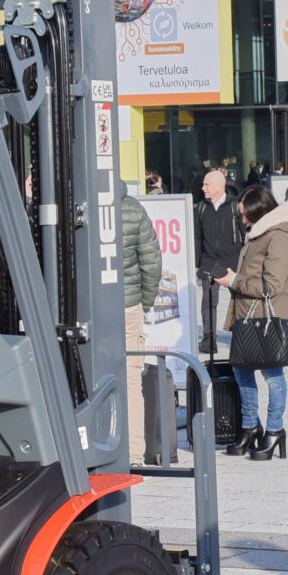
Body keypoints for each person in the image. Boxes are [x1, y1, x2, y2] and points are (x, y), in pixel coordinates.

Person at [221, 181, 288, 459]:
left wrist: (234, 280)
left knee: (271, 373)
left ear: (261, 212)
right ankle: (249, 426)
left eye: (246, 214)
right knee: (242, 371)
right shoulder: (259, 232)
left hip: (268, 316)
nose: (242, 220)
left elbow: (272, 285)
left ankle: (275, 430)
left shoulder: (278, 237)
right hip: (247, 314)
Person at [120, 176, 161, 463]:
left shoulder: (77, 202)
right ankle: (134, 453)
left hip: (85, 308)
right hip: (127, 305)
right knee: (131, 377)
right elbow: (151, 262)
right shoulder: (133, 209)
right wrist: (143, 301)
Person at [193, 167, 244, 357]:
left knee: (239, 299)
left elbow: (243, 235)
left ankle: (242, 335)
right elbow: (197, 237)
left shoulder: (234, 206)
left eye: (207, 184)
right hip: (208, 261)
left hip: (233, 260)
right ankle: (209, 340)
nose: (203, 187)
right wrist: (197, 262)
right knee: (208, 302)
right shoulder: (201, 208)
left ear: (218, 186)